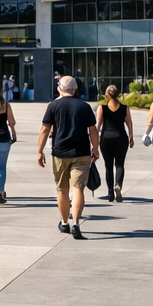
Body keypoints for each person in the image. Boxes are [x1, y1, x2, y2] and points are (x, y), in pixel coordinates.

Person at [37, 75, 99, 239]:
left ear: (60, 88)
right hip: (81, 153)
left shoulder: (53, 106)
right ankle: (76, 223)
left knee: (62, 190)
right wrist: (96, 148)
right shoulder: (84, 107)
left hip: (60, 153)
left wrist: (40, 150)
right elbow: (93, 130)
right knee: (78, 188)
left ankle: (64, 222)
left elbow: (45, 130)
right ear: (75, 89)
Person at [96, 84, 134, 202]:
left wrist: (94, 140)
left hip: (106, 138)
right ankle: (118, 185)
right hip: (121, 138)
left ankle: (110, 193)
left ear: (107, 94)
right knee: (119, 164)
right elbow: (129, 123)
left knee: (108, 166)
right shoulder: (124, 108)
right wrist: (131, 136)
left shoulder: (102, 108)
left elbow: (98, 125)